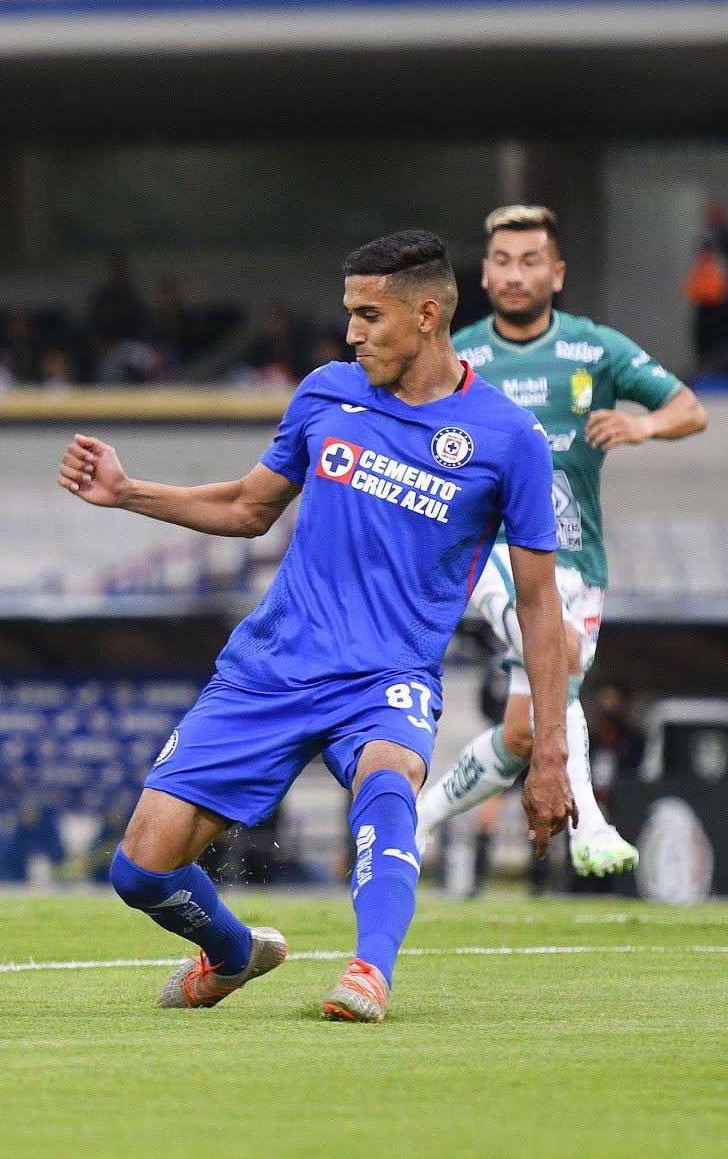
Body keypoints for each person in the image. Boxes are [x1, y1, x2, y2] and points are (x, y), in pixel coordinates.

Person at [58, 230, 577, 1023]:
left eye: (371, 315)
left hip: (387, 675)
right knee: (139, 871)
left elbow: (541, 605)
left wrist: (549, 752)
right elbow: (247, 507)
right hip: (269, 667)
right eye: (350, 314)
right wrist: (129, 491)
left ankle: (369, 970)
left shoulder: (509, 439)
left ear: (428, 314)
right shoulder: (328, 392)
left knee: (391, 771)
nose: (352, 332)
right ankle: (234, 952)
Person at [415, 205, 707, 877]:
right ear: (484, 274)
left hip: (576, 557)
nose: (516, 274)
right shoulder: (460, 357)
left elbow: (688, 407)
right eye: (504, 262)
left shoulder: (594, 348)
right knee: (561, 655)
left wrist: (641, 428)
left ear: (557, 272)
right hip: (484, 550)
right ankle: (591, 826)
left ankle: (418, 819)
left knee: (524, 729)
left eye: (531, 261)